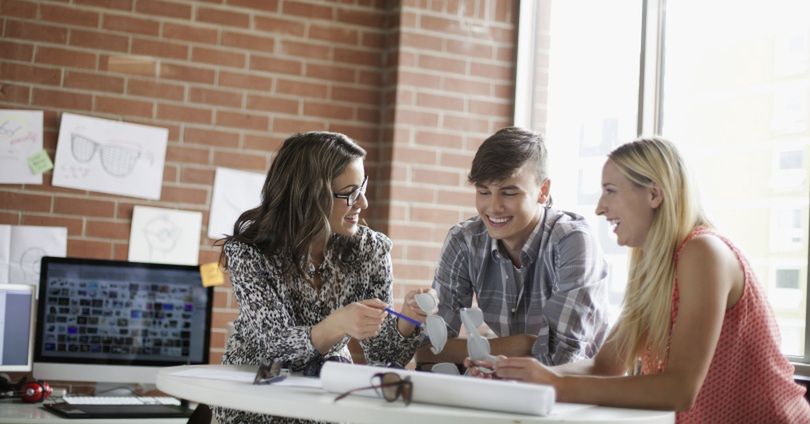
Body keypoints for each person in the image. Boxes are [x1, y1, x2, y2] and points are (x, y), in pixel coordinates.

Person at [471, 137, 810, 423]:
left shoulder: (703, 252)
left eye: (610, 191)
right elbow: (606, 365)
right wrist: (514, 373)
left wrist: (553, 384)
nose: (601, 208)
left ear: (653, 195)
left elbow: (679, 389)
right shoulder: (655, 265)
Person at [213, 132, 427, 424]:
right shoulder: (250, 252)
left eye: (362, 186)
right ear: (310, 196)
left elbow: (383, 354)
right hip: (255, 403)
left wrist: (407, 320)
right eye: (350, 192)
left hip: (325, 405)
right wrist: (339, 323)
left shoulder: (370, 250)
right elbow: (277, 345)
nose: (362, 202)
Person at [416, 127, 610, 368]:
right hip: (511, 383)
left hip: (582, 394)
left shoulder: (573, 241)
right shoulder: (464, 240)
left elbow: (562, 358)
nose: (493, 207)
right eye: (483, 192)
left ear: (543, 191)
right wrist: (524, 345)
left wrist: (486, 351)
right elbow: (429, 348)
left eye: (508, 193)